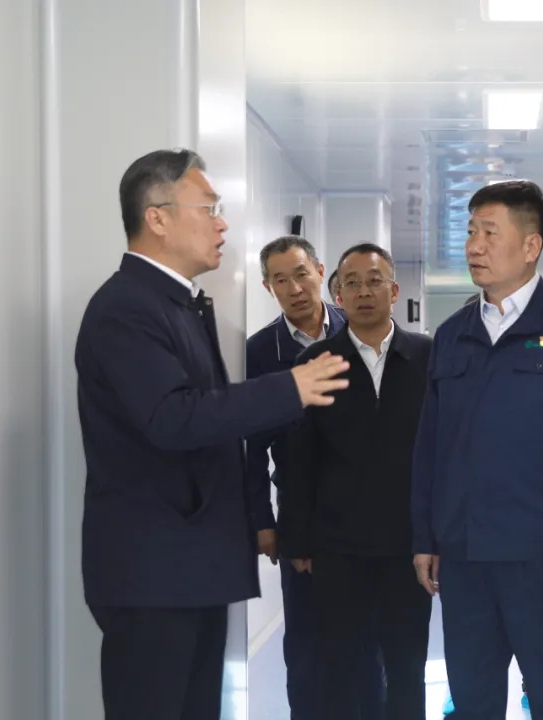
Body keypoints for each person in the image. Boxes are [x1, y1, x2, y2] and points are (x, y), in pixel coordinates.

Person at [75, 149, 349, 720]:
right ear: (158, 217)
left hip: (188, 567)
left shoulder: (176, 305)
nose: (223, 224)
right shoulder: (126, 307)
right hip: (153, 573)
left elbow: (209, 419)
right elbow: (172, 417)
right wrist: (287, 388)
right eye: (210, 208)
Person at [412, 180, 543, 720]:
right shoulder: (453, 334)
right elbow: (430, 446)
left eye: (490, 233)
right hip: (465, 558)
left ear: (531, 246)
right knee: (473, 699)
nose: (474, 247)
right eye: (470, 233)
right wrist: (425, 537)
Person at [285, 243, 433, 720]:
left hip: (407, 546)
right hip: (338, 547)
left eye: (374, 282)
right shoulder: (318, 362)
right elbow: (298, 458)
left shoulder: (427, 357)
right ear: (338, 295)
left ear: (394, 291)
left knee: (407, 666)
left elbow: (443, 451)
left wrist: (438, 534)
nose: (364, 292)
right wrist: (297, 537)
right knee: (342, 669)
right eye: (352, 283)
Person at [244, 235, 385, 720]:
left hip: (366, 516)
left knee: (370, 639)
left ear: (321, 273)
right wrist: (262, 521)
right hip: (300, 517)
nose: (294, 288)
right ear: (268, 287)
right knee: (306, 642)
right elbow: (250, 446)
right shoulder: (260, 352)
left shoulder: (361, 329)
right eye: (280, 280)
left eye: (301, 274)